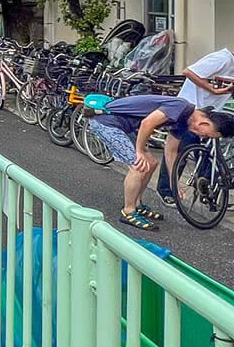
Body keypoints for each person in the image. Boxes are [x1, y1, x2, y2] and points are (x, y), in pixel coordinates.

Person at [88, 94, 234, 231]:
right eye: (206, 134)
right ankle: (128, 211)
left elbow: (171, 151)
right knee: (139, 165)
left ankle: (137, 204)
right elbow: (147, 123)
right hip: (107, 122)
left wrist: (173, 183)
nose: (201, 136)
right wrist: (139, 151)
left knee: (151, 162)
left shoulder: (184, 123)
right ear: (205, 123)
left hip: (123, 127)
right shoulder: (180, 107)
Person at [157, 47, 234, 207]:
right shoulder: (223, 58)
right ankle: (166, 190)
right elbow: (189, 72)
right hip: (189, 107)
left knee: (206, 151)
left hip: (209, 112)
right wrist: (212, 89)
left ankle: (207, 192)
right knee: (181, 149)